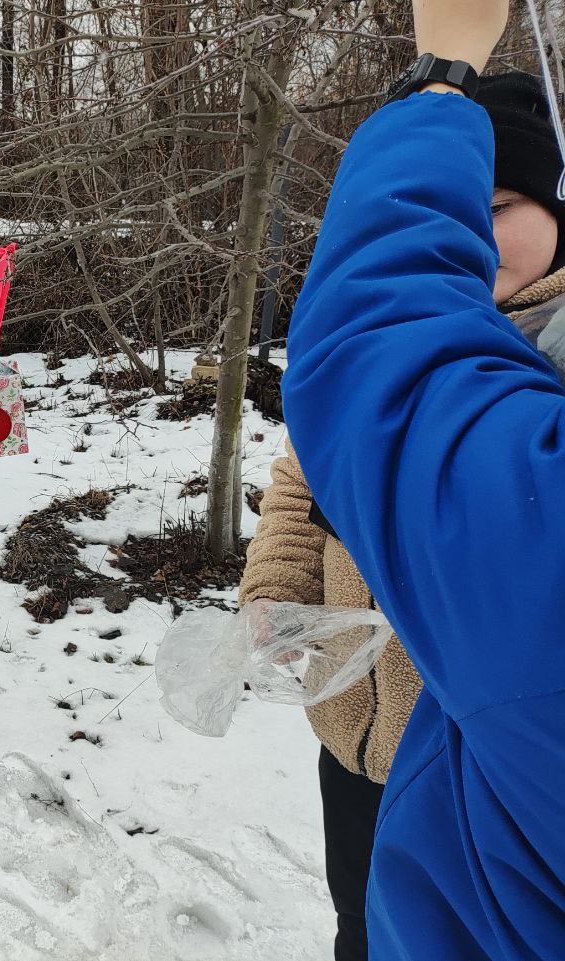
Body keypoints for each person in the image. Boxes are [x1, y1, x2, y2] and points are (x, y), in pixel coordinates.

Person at [241, 68, 565, 961]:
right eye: (459, 210)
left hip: (478, 757)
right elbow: (303, 476)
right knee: (363, 910)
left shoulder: (544, 352)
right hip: (353, 713)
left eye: (500, 205)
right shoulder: (380, 367)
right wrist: (274, 583)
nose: (474, 232)